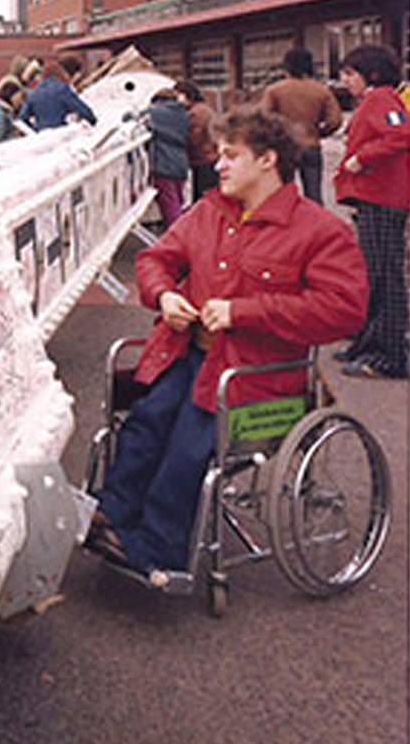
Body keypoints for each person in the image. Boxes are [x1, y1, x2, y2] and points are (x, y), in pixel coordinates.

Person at [88, 107, 367, 576]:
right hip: (188, 355)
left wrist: (244, 312)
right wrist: (166, 295)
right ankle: (110, 514)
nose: (218, 165)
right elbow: (156, 260)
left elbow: (344, 311)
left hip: (256, 375)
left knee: (188, 444)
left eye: (230, 155)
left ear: (267, 160)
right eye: (219, 155)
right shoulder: (208, 213)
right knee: (144, 424)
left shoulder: (321, 232)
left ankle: (157, 550)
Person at [333, 45, 409, 379]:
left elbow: (401, 134)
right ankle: (370, 342)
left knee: (384, 275)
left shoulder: (380, 99)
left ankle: (390, 354)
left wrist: (362, 158)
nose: (345, 80)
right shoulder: (379, 100)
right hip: (378, 197)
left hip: (383, 197)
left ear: (372, 74)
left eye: (351, 73)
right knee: (376, 273)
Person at [259, 47, 342, 204]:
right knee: (314, 193)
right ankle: (317, 225)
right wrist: (320, 132)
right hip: (311, 145)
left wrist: (276, 136)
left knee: (283, 191)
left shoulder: (274, 90)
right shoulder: (321, 91)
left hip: (285, 146)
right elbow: (335, 120)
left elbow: (264, 118)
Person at [147, 88, 191, 228]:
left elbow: (130, 117)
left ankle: (179, 238)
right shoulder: (183, 114)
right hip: (181, 163)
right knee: (178, 201)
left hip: (163, 164)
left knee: (170, 206)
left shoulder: (155, 113)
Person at [20, 56, 97, 130]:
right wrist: (93, 121)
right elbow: (85, 112)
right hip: (60, 135)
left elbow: (22, 119)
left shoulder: (34, 93)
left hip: (41, 137)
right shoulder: (62, 90)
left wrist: (35, 129)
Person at [175, 80, 219, 198]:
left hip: (202, 157)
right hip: (209, 155)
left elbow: (195, 136)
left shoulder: (195, 113)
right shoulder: (204, 109)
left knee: (203, 194)